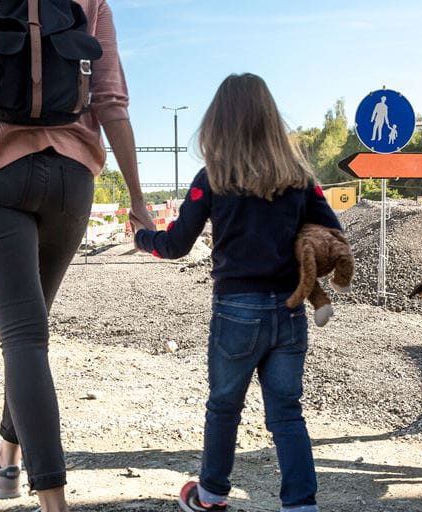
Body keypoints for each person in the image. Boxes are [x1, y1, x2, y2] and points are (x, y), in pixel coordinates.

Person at [0, 1, 153, 511]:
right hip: (71, 181)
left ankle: (53, 504)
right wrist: (136, 199)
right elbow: (111, 101)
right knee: (31, 331)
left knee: (24, 337)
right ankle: (6, 456)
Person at [135, 73, 341, 512]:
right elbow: (333, 234)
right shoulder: (300, 178)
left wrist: (143, 237)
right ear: (271, 119)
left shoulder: (212, 177)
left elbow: (175, 246)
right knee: (287, 413)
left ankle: (210, 494)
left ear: (218, 121)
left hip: (236, 312)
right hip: (289, 311)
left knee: (224, 407)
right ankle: (301, 505)